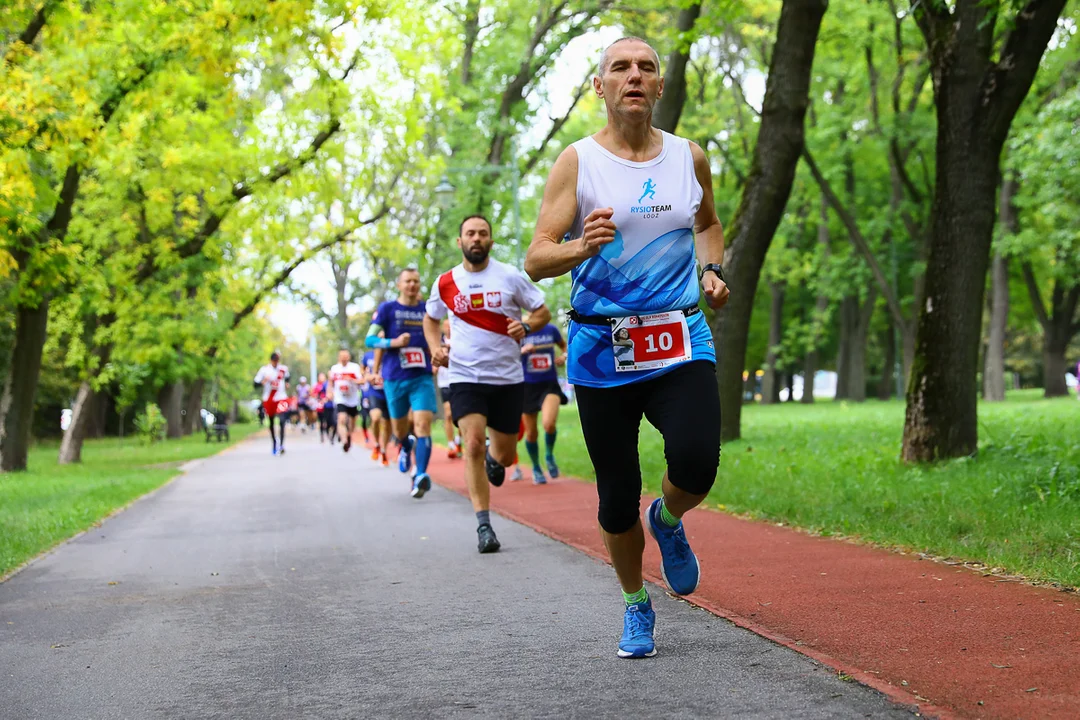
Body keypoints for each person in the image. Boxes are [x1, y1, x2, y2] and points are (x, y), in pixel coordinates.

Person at [524, 36, 730, 659]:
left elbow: (708, 224)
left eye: (646, 68)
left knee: (697, 463)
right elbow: (537, 258)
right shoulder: (578, 162)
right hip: (599, 348)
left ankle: (666, 519)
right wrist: (582, 247)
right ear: (600, 86)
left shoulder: (688, 158)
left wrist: (714, 270)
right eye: (620, 67)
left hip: (679, 334)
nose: (634, 76)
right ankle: (636, 603)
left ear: (660, 86)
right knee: (616, 496)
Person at [423, 215, 551, 553]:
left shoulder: (509, 275)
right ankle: (484, 525)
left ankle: (497, 461)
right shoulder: (446, 282)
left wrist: (525, 325)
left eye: (482, 233)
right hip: (465, 376)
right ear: (460, 241)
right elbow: (431, 318)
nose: (476, 238)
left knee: (507, 456)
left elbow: (542, 312)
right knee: (474, 443)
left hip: (507, 378)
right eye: (470, 233)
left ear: (490, 241)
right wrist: (436, 349)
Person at [366, 269, 438, 498]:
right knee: (399, 430)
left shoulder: (427, 308)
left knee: (423, 425)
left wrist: (437, 354)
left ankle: (420, 475)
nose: (412, 285)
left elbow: (437, 336)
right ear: (399, 284)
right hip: (395, 377)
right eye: (408, 281)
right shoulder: (388, 309)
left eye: (416, 281)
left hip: (421, 377)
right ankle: (406, 449)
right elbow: (370, 339)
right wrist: (393, 342)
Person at [520, 322, 568, 484]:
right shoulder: (519, 330)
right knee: (531, 433)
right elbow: (505, 356)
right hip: (526, 387)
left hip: (549, 384)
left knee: (548, 424)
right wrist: (522, 350)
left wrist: (564, 357)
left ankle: (549, 455)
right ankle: (536, 467)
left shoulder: (551, 329)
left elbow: (564, 346)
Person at [253, 351, 290, 455]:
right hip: (269, 399)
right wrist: (263, 381)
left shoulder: (283, 369)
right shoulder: (264, 370)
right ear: (271, 360)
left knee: (282, 420)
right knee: (272, 421)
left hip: (281, 397)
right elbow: (255, 384)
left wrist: (287, 383)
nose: (276, 362)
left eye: (277, 360)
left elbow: (287, 377)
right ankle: (274, 442)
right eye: (274, 360)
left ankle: (282, 444)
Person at [328, 349, 363, 452]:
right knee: (341, 418)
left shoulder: (355, 367)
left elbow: (362, 381)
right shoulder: (335, 369)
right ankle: (344, 441)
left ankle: (348, 436)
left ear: (348, 357)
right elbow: (331, 383)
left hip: (353, 399)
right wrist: (329, 392)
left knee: (352, 422)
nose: (344, 358)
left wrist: (352, 380)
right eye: (341, 356)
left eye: (345, 356)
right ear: (339, 358)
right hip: (340, 398)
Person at [436, 319, 461, 459]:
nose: (449, 328)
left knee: (460, 414)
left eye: (450, 325)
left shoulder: (460, 340)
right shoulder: (438, 342)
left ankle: (459, 440)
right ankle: (451, 444)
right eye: (446, 326)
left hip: (459, 380)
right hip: (444, 383)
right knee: (448, 413)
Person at [362, 348, 391, 466]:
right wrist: (367, 376)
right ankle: (376, 444)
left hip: (389, 392)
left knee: (387, 424)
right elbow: (363, 370)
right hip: (375, 393)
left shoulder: (391, 353)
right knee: (375, 418)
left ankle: (383, 450)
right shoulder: (368, 356)